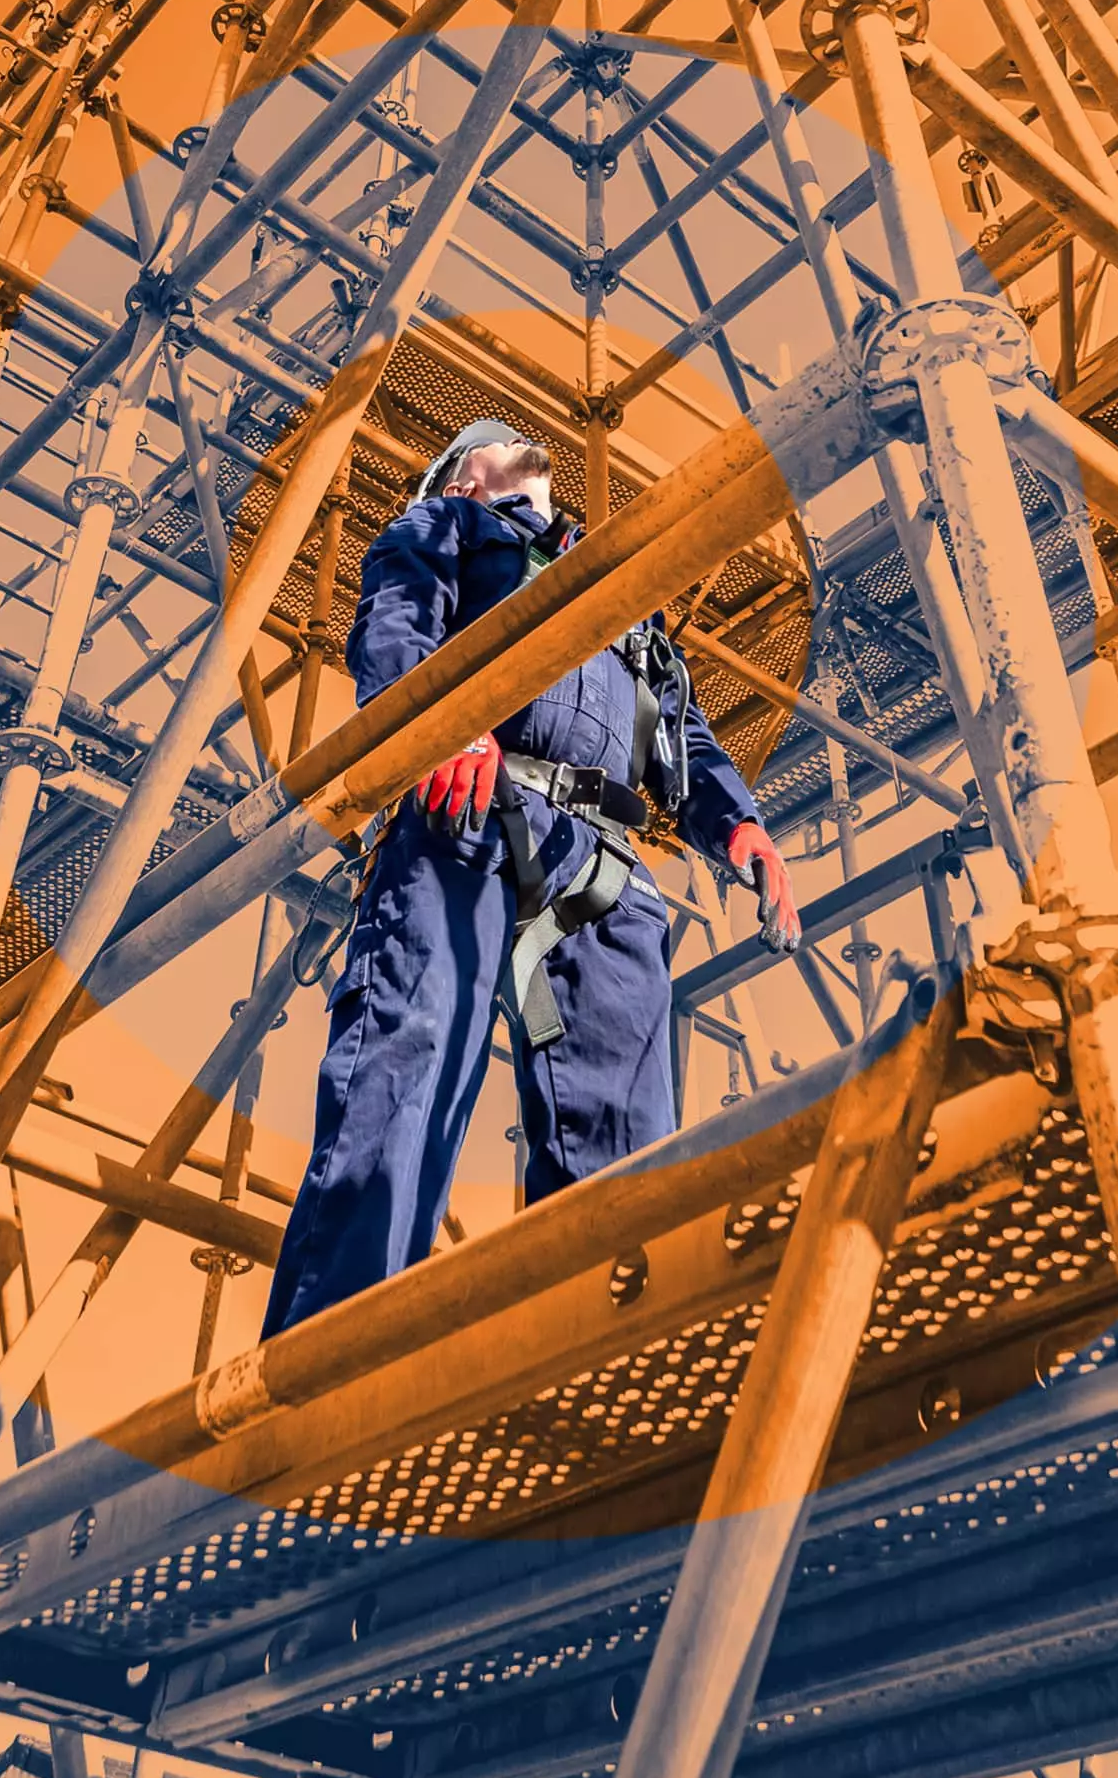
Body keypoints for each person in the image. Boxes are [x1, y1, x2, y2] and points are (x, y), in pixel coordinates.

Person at [263, 414, 801, 1335]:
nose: (515, 444)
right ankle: (334, 1353)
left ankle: (604, 1348)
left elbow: (683, 736)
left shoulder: (624, 600)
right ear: (462, 480)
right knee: (412, 1048)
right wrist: (439, 720)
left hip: (602, 866)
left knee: (626, 1120)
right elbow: (394, 629)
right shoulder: (447, 529)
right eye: (489, 444)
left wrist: (741, 828)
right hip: (468, 802)